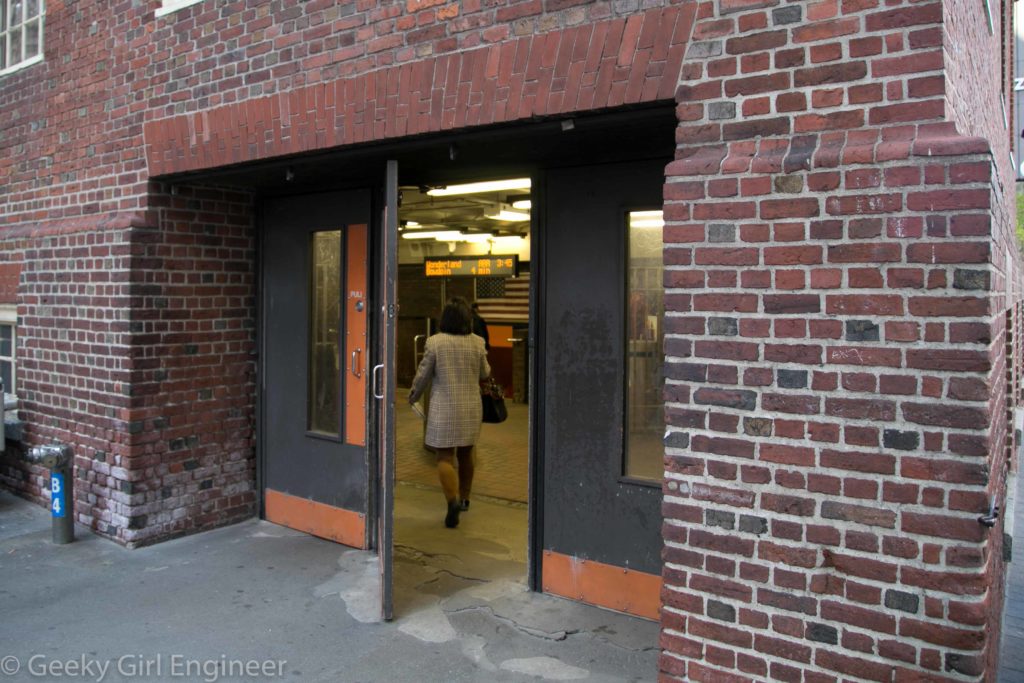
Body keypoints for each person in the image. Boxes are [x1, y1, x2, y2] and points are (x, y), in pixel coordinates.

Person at [409, 297, 491, 528]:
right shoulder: (477, 342)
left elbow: (423, 375)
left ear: (443, 319)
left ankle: (452, 500)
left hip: (443, 408)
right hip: (471, 408)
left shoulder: (435, 342)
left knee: (444, 457)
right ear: (468, 320)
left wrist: (413, 396)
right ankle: (465, 498)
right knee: (466, 454)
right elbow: (485, 373)